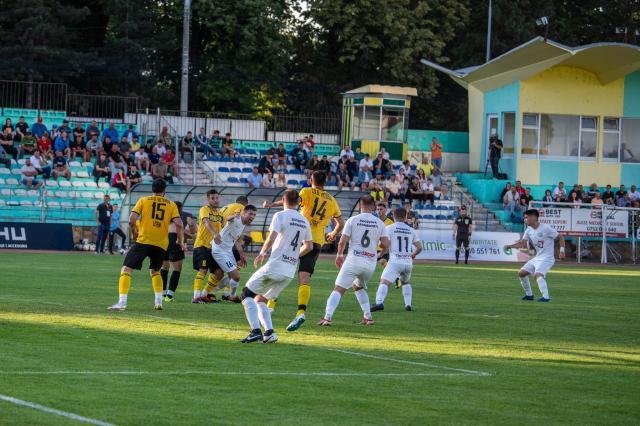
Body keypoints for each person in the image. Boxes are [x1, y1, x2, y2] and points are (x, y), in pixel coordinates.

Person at [263, 170, 345, 331]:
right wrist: (333, 234)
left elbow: (291, 202)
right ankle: (300, 313)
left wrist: (271, 205)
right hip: (316, 241)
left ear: (310, 180)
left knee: (282, 268)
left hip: (298, 235)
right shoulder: (332, 200)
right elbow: (340, 223)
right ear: (326, 182)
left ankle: (270, 306)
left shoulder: (306, 191)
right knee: (304, 277)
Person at [240, 190, 313, 343]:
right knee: (260, 299)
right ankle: (270, 333)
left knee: (246, 294)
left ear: (282, 200)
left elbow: (272, 237)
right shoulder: (304, 220)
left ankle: (255, 331)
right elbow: (309, 246)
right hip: (289, 271)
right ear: (299, 202)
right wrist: (293, 256)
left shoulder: (280, 216)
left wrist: (262, 252)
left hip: (275, 266)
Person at [107, 178, 184, 311]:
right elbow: (179, 224)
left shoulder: (143, 200)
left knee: (126, 270)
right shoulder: (171, 205)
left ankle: (122, 302)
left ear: (152, 189)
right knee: (155, 271)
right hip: (161, 244)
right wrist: (180, 241)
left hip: (144, 240)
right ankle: (159, 302)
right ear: (164, 191)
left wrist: (134, 233)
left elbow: (132, 220)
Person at [318, 195, 389, 326]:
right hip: (369, 263)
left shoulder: (353, 220)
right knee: (358, 286)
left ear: (359, 206)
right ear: (373, 207)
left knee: (338, 289)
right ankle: (368, 317)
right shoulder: (380, 223)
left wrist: (339, 255)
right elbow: (385, 244)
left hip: (354, 260)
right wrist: (379, 255)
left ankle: (327, 318)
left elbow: (343, 241)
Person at [504, 209, 565, 302]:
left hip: (547, 258)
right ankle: (529, 295)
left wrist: (562, 251)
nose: (525, 220)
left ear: (533, 217)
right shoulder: (528, 230)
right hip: (538, 257)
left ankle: (546, 297)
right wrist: (510, 246)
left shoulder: (545, 228)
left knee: (538, 274)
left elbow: (560, 237)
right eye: (524, 218)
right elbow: (522, 243)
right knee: (521, 273)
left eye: (526, 217)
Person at [371, 207, 423, 312]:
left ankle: (379, 302)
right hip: (408, 262)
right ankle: (408, 305)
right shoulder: (411, 230)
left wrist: (380, 252)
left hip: (395, 261)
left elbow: (384, 244)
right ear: (405, 217)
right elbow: (420, 247)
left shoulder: (389, 228)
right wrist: (412, 255)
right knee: (406, 282)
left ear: (393, 216)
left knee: (384, 282)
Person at [210, 206, 257, 304]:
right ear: (244, 213)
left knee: (232, 276)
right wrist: (233, 216)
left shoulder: (243, 225)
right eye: (250, 214)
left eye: (254, 214)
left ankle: (211, 292)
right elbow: (228, 219)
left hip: (227, 251)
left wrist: (242, 255)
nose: (252, 216)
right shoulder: (236, 219)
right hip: (219, 249)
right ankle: (231, 296)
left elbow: (237, 241)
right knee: (236, 276)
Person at [191, 189, 225, 303]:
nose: (215, 200)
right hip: (202, 246)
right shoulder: (204, 209)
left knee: (219, 273)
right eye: (213, 198)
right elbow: (206, 222)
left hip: (214, 248)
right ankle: (196, 297)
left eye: (217, 198)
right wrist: (215, 234)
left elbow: (224, 229)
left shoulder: (220, 214)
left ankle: (204, 294)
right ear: (208, 199)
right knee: (203, 270)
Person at [161, 201, 196, 302]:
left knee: (164, 268)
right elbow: (192, 228)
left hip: (163, 239)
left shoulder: (166, 214)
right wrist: (187, 235)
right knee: (176, 269)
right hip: (174, 238)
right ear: (181, 208)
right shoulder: (184, 214)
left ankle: (162, 294)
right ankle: (169, 296)